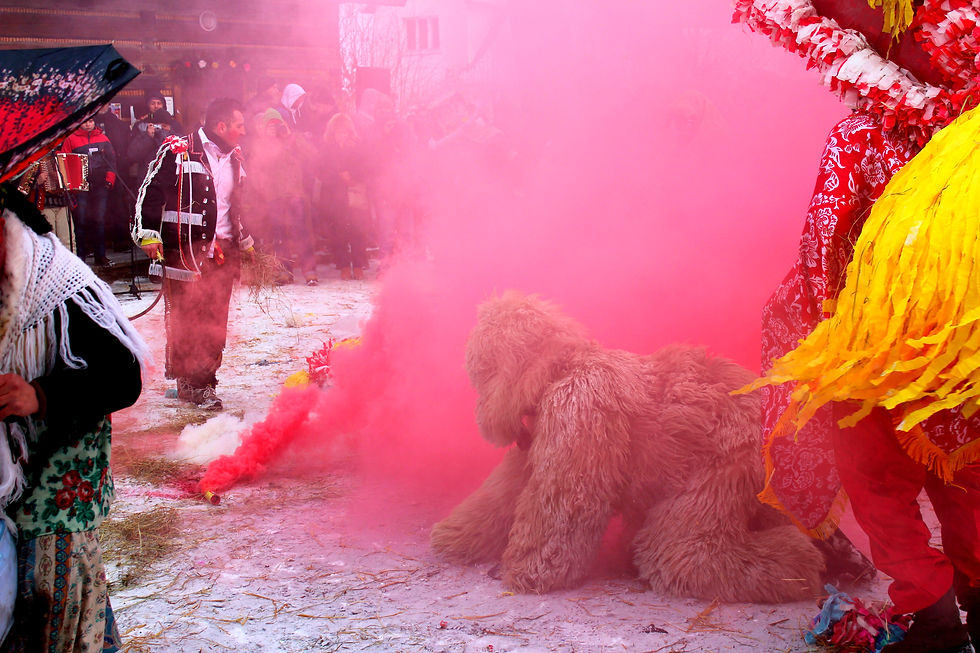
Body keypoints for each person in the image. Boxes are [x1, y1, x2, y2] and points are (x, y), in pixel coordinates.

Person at [735, 1, 980, 651]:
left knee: (878, 483)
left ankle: (934, 618)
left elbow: (823, 243)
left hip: (875, 350)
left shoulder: (860, 137)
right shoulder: (970, 140)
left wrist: (822, 330)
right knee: (964, 479)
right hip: (959, 355)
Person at [0, 182, 147, 652]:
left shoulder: (62, 287)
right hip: (11, 484)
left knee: (50, 609)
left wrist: (38, 395)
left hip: (57, 488)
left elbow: (123, 377)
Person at [133, 97, 253, 411]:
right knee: (188, 320)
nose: (244, 131)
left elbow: (235, 207)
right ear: (221, 126)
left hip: (223, 255)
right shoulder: (178, 150)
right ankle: (193, 384)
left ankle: (203, 380)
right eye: (239, 125)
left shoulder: (236, 157)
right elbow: (149, 192)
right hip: (185, 254)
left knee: (215, 321)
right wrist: (148, 233)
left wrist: (247, 243)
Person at [245, 109, 318, 285]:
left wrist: (290, 135)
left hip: (295, 194)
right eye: (269, 126)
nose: (273, 129)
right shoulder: (260, 145)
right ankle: (284, 271)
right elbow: (254, 171)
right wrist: (264, 189)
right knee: (279, 235)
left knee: (301, 233)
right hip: (273, 197)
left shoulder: (292, 141)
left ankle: (310, 271)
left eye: (276, 125)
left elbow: (312, 155)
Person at [60, 117, 117, 268]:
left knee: (99, 220)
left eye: (91, 121)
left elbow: (112, 161)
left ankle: (100, 256)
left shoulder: (103, 138)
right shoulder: (70, 139)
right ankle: (80, 257)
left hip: (100, 186)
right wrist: (71, 185)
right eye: (85, 121)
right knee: (81, 221)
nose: (88, 124)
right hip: (80, 187)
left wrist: (109, 179)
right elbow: (64, 163)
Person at [320, 113, 370, 280]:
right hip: (335, 195)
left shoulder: (357, 147)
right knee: (338, 231)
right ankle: (343, 264)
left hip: (354, 193)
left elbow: (366, 168)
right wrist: (338, 176)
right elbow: (320, 171)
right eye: (338, 131)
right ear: (332, 132)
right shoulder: (326, 149)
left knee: (357, 230)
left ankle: (358, 264)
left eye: (344, 131)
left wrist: (352, 176)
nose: (341, 135)